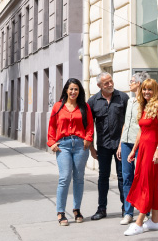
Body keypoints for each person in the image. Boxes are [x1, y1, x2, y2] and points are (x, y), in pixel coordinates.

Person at [47, 78, 94, 226]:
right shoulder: (58, 106)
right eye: (71, 89)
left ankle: (76, 209)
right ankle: (60, 212)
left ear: (79, 91)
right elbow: (52, 126)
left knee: (79, 178)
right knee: (65, 177)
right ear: (66, 90)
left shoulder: (84, 107)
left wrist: (88, 139)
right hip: (64, 146)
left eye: (76, 89)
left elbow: (90, 125)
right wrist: (51, 143)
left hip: (80, 145)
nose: (73, 92)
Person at [123, 78, 158, 236]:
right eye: (145, 89)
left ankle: (139, 222)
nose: (147, 92)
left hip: (152, 148)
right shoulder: (144, 106)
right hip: (143, 149)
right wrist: (134, 150)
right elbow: (141, 131)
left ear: (155, 91)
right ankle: (155, 220)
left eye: (150, 89)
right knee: (149, 183)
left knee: (146, 183)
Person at [87, 72, 127, 220]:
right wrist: (91, 148)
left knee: (123, 177)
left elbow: (128, 122)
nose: (110, 84)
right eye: (106, 83)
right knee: (103, 177)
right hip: (103, 145)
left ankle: (126, 208)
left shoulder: (123, 98)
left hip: (121, 145)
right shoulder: (93, 101)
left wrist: (124, 144)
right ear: (99, 86)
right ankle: (101, 209)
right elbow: (89, 126)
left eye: (111, 81)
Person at [117, 71, 150, 225]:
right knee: (127, 177)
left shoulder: (146, 102)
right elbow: (126, 123)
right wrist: (120, 144)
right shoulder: (130, 101)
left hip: (141, 143)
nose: (129, 84)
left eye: (131, 81)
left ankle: (145, 211)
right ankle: (128, 212)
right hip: (126, 142)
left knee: (142, 178)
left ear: (138, 83)